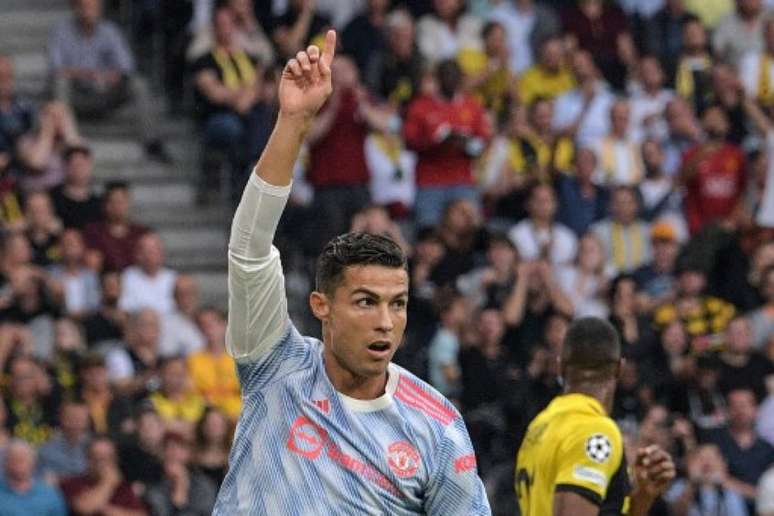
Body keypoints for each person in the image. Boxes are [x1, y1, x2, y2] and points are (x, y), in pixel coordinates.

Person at [212, 30, 490, 514]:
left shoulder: (437, 427)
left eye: (397, 304)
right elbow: (249, 248)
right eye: (366, 301)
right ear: (322, 306)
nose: (386, 321)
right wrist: (294, 122)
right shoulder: (274, 366)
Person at [515, 317, 676, 515]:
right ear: (619, 368)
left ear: (561, 367)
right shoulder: (595, 432)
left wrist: (642, 496)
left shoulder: (538, 427)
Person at [48, 0, 171, 163]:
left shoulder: (110, 31)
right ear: (75, 8)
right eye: (85, 7)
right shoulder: (61, 32)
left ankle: (152, 142)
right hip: (77, 97)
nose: (89, 12)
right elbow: (56, 68)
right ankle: (68, 141)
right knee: (60, 82)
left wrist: (109, 76)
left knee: (137, 84)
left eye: (93, 7)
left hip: (105, 93)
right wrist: (87, 74)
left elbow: (127, 66)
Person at [59, 435, 146, 516]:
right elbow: (85, 508)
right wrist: (108, 482)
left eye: (107, 458)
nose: (102, 463)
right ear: (87, 459)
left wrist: (103, 508)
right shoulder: (72, 483)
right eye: (96, 457)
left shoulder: (122, 486)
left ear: (115, 460)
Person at [0, 439, 67, 516]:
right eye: (13, 459)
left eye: (23, 459)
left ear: (33, 462)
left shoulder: (49, 494)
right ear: (5, 463)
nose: (18, 465)